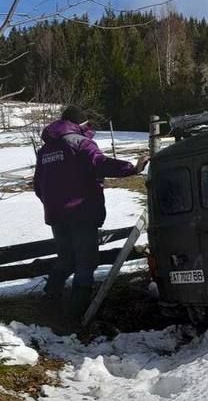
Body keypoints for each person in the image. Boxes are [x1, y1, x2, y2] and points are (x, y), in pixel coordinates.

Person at [33, 105, 148, 319]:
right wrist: (132, 167)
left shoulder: (45, 150)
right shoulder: (80, 144)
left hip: (56, 216)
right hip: (81, 213)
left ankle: (49, 301)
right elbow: (100, 163)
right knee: (86, 263)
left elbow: (38, 186)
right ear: (80, 124)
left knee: (66, 260)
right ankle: (78, 316)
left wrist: (53, 203)